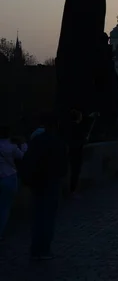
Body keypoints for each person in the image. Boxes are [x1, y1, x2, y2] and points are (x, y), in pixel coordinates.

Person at [21, 113, 68, 260]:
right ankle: (44, 249)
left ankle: (35, 248)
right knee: (48, 217)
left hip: (37, 183)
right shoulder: (58, 142)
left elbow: (27, 160)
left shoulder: (36, 141)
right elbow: (63, 166)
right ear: (55, 125)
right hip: (51, 182)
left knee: (37, 216)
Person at [0, 125, 27, 241]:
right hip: (9, 176)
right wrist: (24, 144)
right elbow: (23, 156)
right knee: (5, 207)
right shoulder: (11, 146)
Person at [66, 109, 86, 198]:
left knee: (73, 171)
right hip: (76, 152)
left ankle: (71, 190)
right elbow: (81, 140)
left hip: (71, 151)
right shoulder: (78, 127)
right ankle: (72, 191)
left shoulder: (69, 127)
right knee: (75, 172)